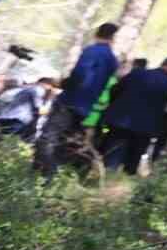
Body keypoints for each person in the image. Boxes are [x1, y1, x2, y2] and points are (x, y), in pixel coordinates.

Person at [36, 22, 119, 180]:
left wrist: (65, 84)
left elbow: (79, 74)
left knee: (48, 137)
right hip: (87, 107)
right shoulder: (113, 61)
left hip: (70, 100)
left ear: (97, 33)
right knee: (68, 142)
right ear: (113, 38)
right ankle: (56, 177)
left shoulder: (92, 51)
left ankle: (42, 175)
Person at [102, 56, 167, 175]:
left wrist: (114, 107)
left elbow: (115, 89)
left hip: (121, 120)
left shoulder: (138, 73)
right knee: (133, 158)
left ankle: (106, 177)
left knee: (113, 152)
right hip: (145, 127)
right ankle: (125, 180)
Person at [0, 76, 54, 144]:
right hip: (16, 119)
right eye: (51, 87)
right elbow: (40, 109)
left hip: (6, 116)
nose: (50, 89)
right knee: (3, 141)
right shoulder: (38, 89)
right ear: (47, 84)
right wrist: (49, 109)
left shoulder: (26, 88)